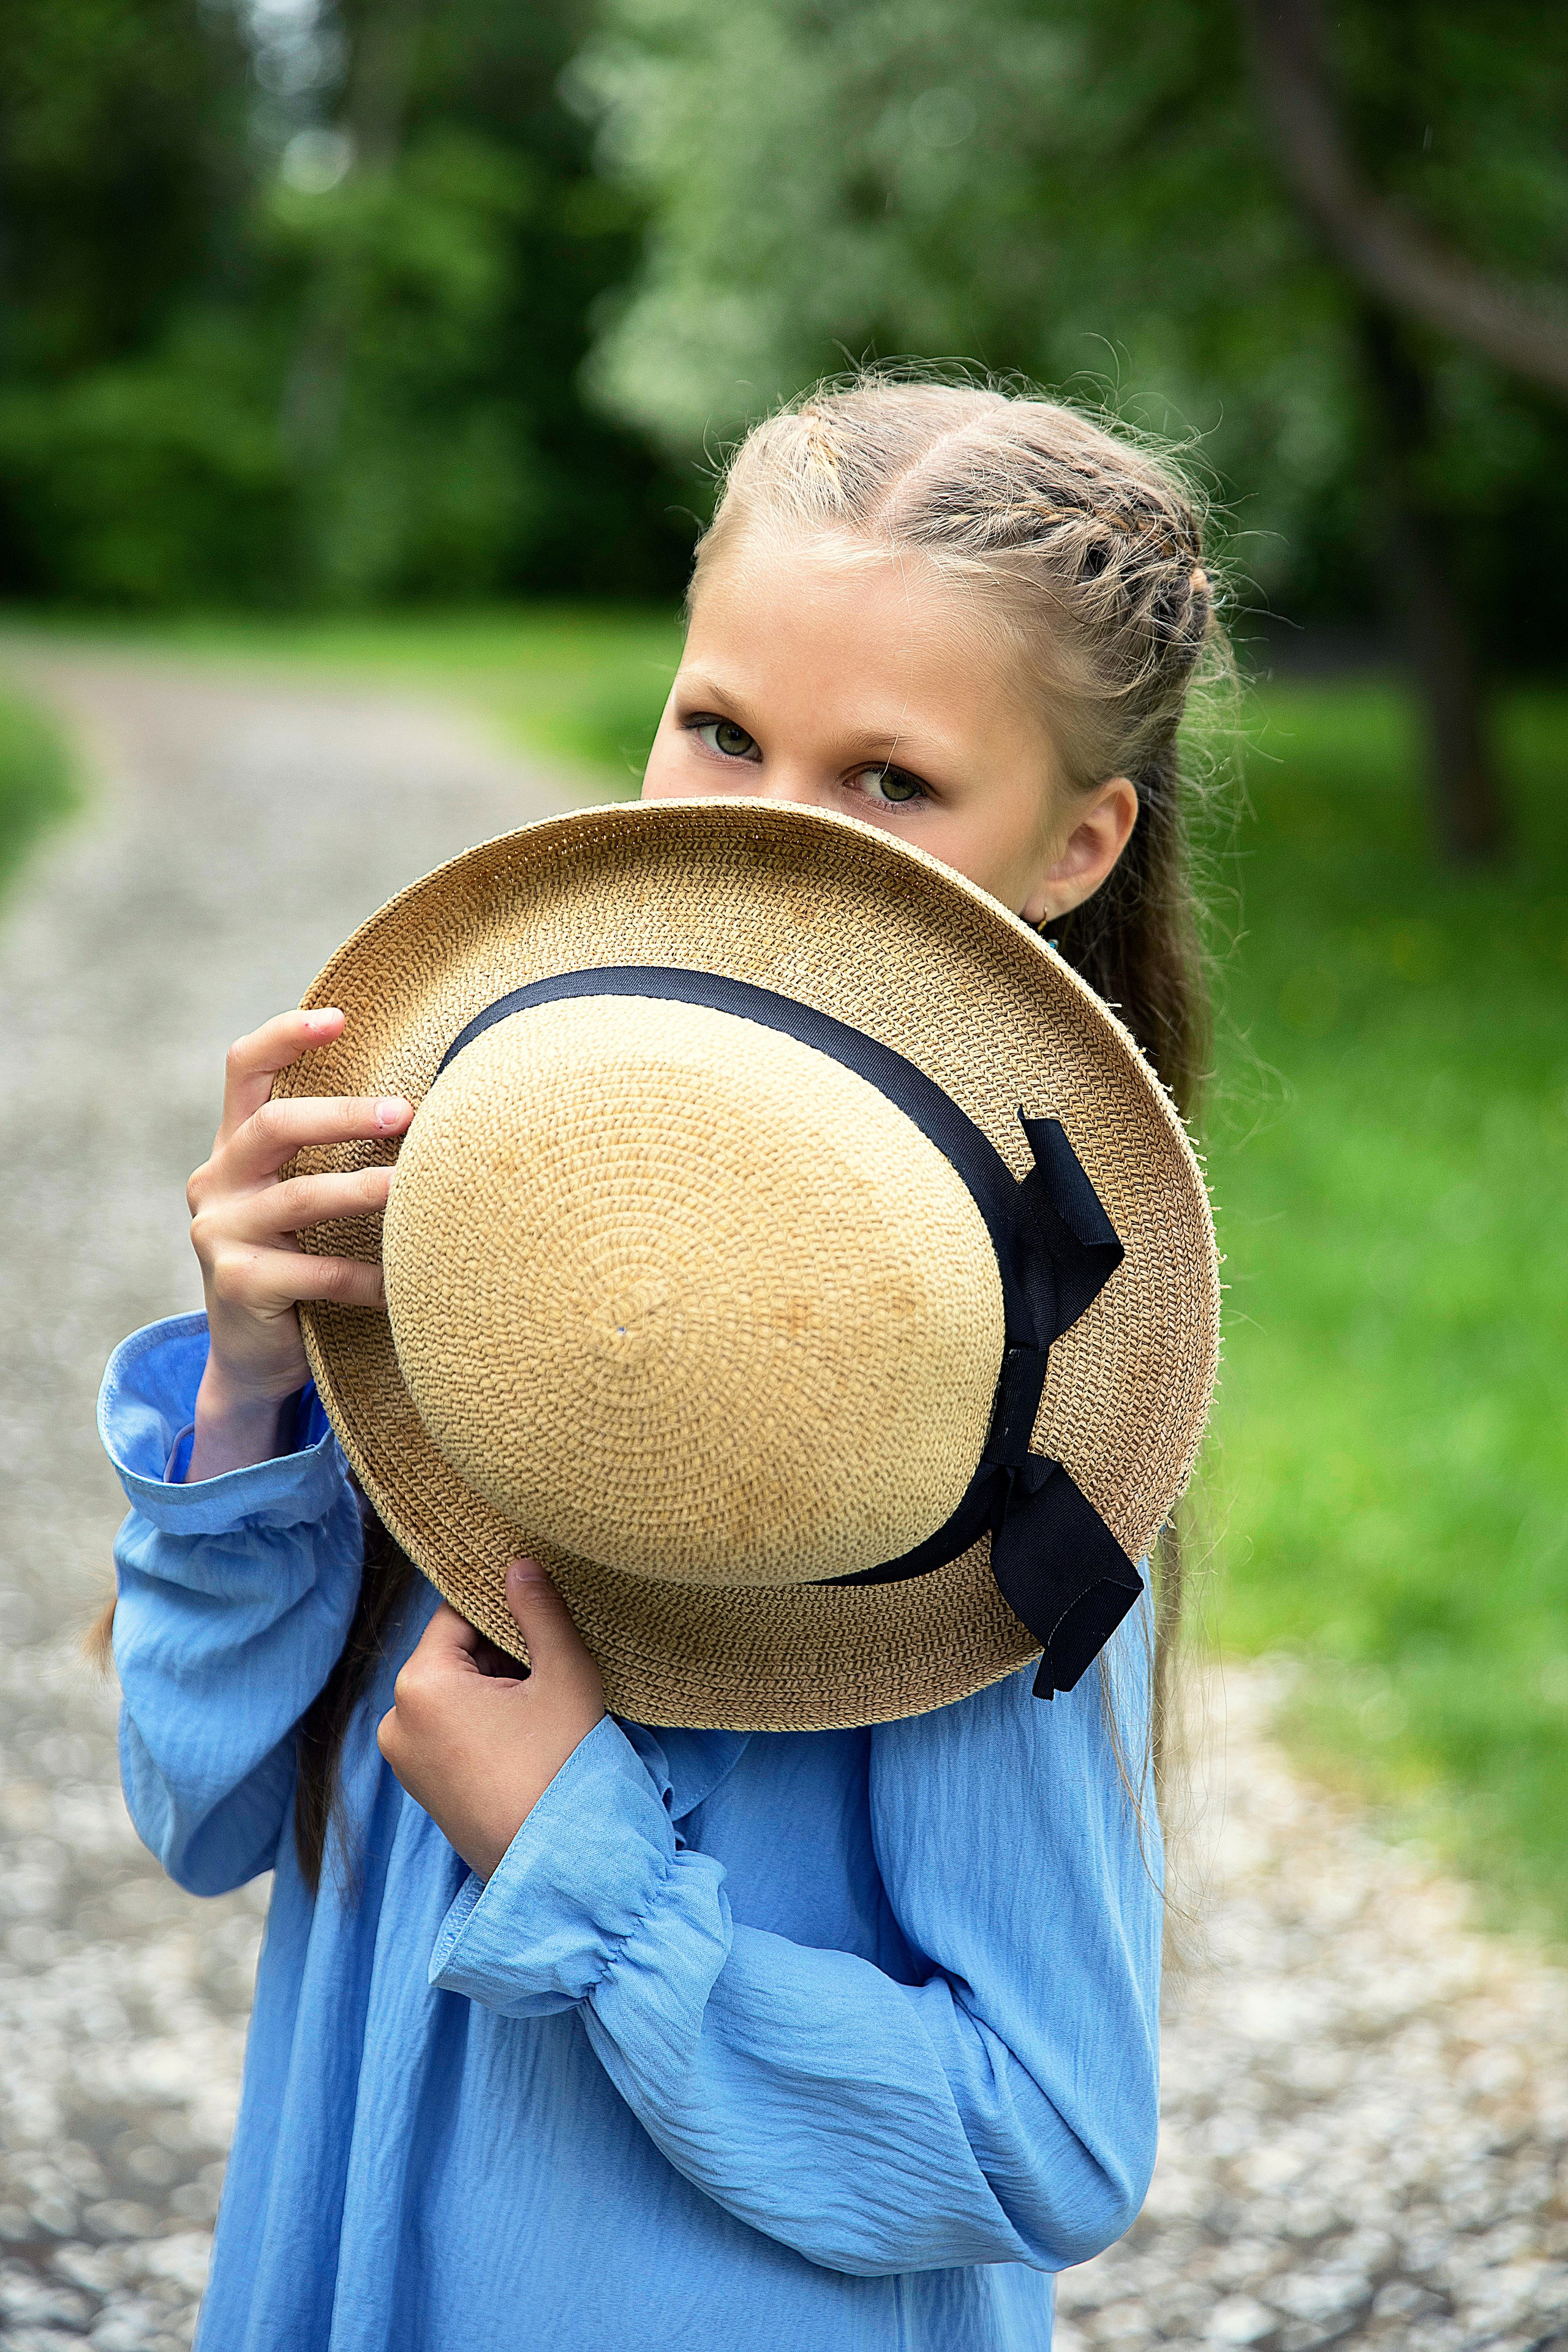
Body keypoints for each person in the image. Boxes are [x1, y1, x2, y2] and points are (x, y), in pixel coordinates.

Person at [97, 375, 1222, 2351]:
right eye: (720, 729)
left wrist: (582, 1864)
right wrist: (262, 1387)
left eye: (892, 778)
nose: (777, 843)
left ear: (1077, 841)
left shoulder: (981, 1464)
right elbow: (195, 1809)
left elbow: (1051, 2139)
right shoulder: (502, 1231)